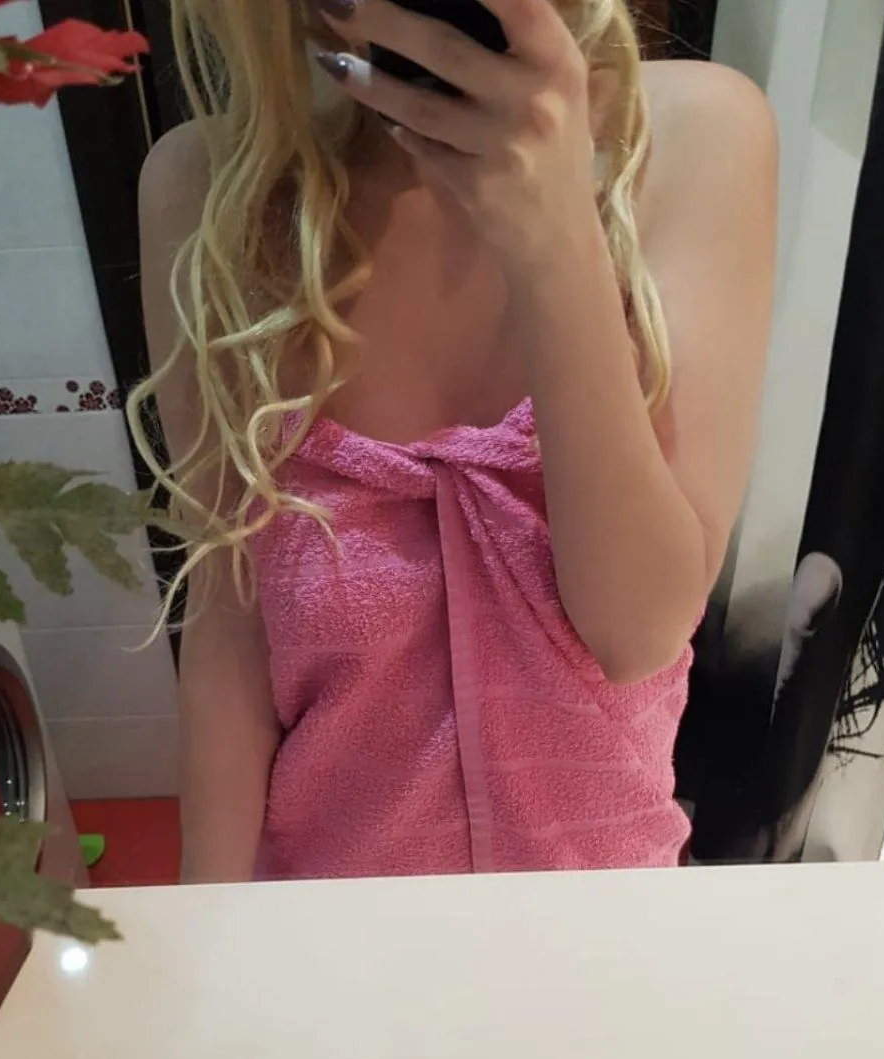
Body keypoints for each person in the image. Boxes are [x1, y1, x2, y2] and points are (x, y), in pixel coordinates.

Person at [132, 0, 777, 883]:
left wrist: (553, 234)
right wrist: (206, 934)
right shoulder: (212, 187)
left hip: (601, 917)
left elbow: (636, 634)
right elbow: (229, 632)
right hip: (327, 917)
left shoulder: (688, 134)